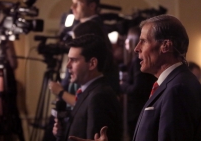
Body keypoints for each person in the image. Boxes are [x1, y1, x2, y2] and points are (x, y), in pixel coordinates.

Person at [69, 15, 201, 141]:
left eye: (143, 41)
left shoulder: (177, 89)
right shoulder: (175, 83)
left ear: (165, 46)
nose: (136, 48)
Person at [52, 34, 122, 141]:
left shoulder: (99, 97)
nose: (68, 65)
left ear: (92, 63)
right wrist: (62, 132)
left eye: (74, 60)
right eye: (68, 59)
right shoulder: (88, 92)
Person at [120, 26, 156, 139]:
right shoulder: (137, 61)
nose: (125, 41)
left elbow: (138, 88)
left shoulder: (137, 61)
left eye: (127, 38)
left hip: (137, 111)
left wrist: (122, 85)